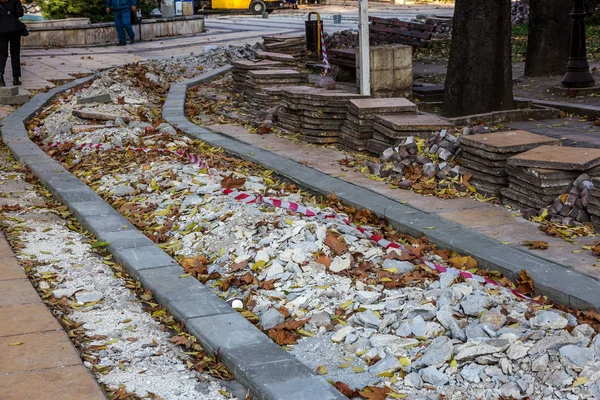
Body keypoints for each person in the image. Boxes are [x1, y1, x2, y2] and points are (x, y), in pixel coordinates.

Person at [0, 0, 24, 87]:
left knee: (2, 54)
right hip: (14, 29)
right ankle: (16, 79)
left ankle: (0, 75)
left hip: (1, 30)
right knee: (15, 54)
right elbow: (20, 13)